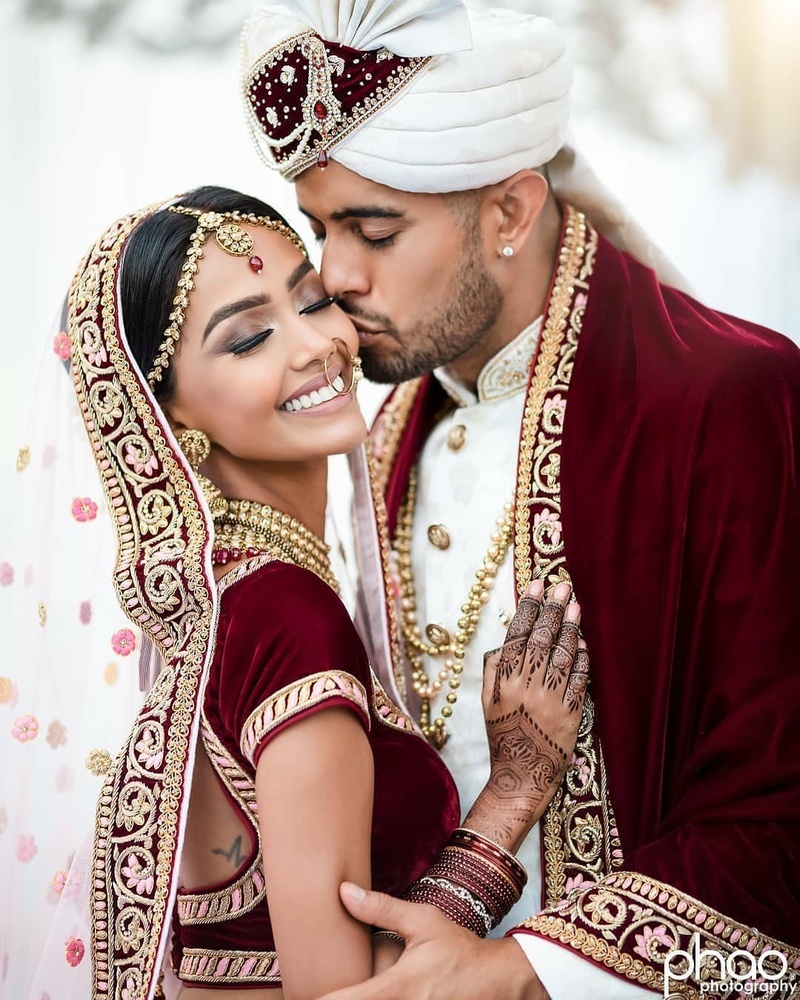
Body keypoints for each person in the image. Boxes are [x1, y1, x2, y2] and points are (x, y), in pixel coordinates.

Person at [240, 0, 800, 997]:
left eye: (371, 229)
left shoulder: (725, 397)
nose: (332, 275)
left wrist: (527, 972)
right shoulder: (374, 435)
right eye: (319, 227)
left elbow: (779, 804)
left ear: (509, 211)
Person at [0, 185, 592, 1000]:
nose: (315, 343)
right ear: (166, 416)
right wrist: (513, 794)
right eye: (248, 339)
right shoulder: (285, 620)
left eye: (312, 300)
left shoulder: (215, 604)